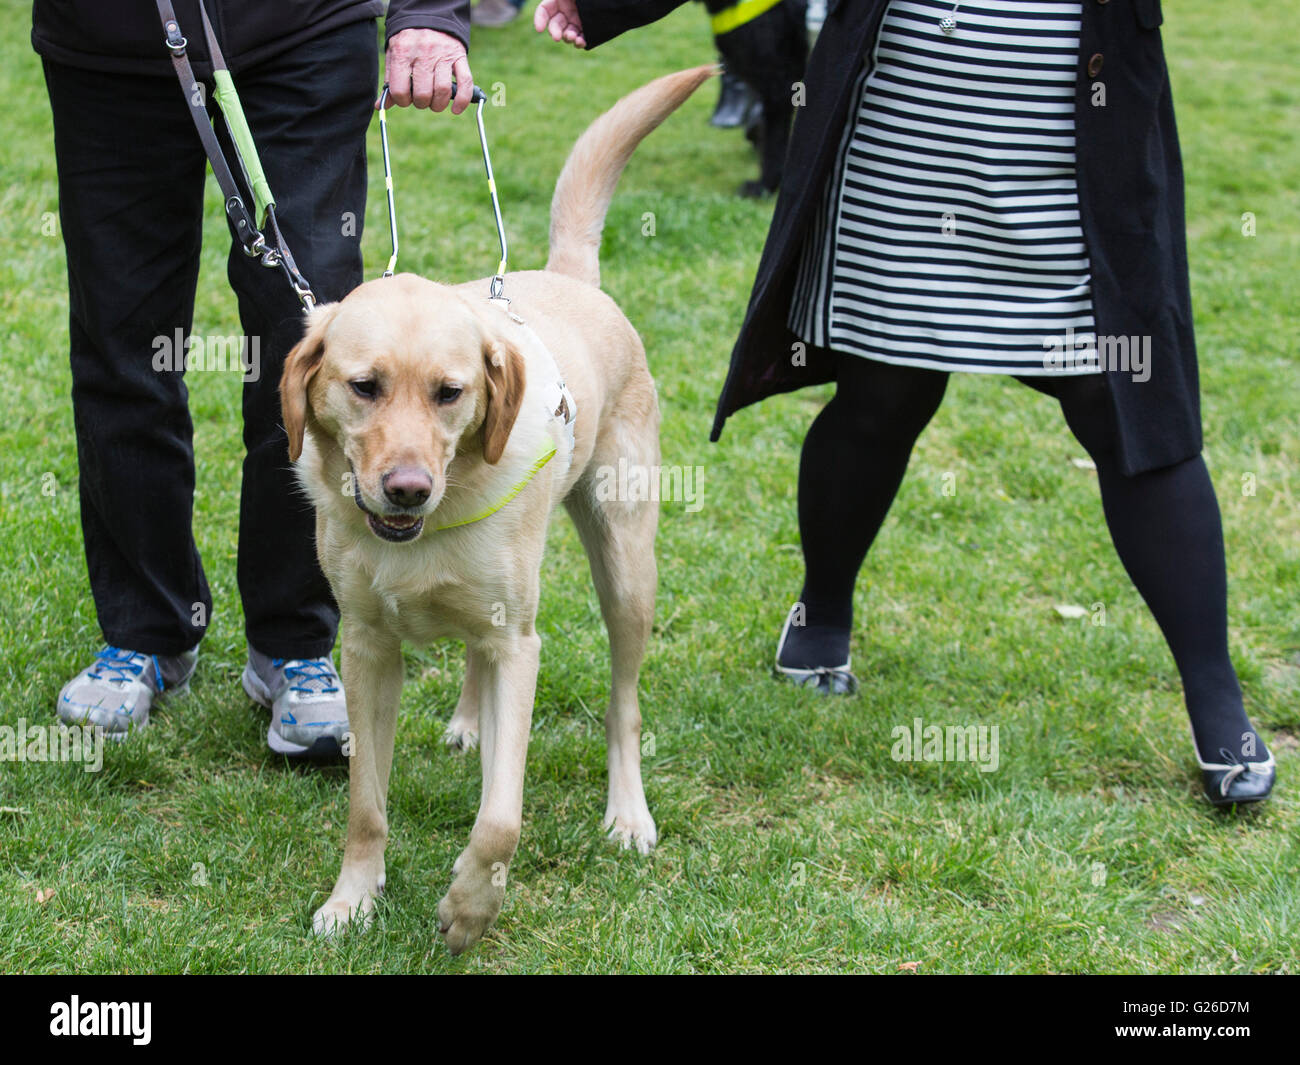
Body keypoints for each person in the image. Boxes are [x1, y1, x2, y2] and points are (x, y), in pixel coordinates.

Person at [534, 0, 1276, 806]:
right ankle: (821, 615)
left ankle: (1214, 696)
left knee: (1129, 410)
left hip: (1074, 146)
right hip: (906, 134)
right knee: (884, 389)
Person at [37, 0, 472, 757]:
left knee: (306, 345)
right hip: (107, 46)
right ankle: (146, 628)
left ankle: (295, 643)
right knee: (121, 336)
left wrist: (431, 11)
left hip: (301, 31)